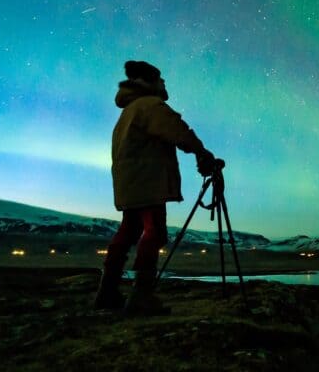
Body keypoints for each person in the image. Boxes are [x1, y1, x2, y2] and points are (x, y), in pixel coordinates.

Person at [94, 60, 223, 315]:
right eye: (160, 78)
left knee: (128, 232)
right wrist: (201, 152)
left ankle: (106, 292)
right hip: (147, 182)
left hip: (130, 182)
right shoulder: (149, 105)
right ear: (148, 81)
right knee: (155, 233)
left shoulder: (128, 111)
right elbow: (177, 131)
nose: (164, 82)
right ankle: (141, 296)